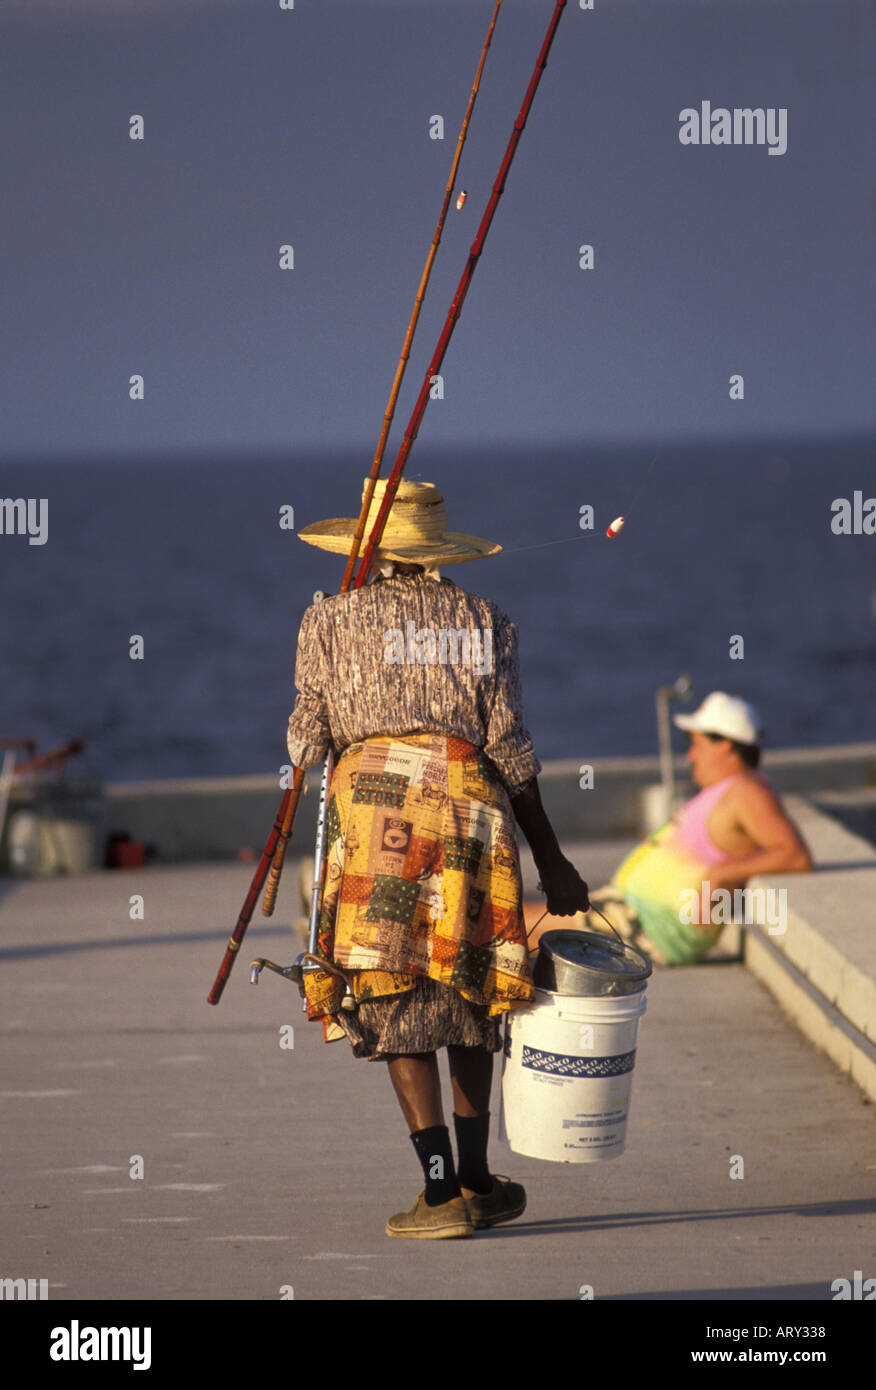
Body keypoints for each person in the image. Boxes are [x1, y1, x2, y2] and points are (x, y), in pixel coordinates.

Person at [285, 478, 590, 1239]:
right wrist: (553, 860)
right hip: (470, 818)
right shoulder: (486, 621)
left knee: (393, 995)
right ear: (436, 547)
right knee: (468, 991)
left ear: (369, 548)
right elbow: (513, 755)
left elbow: (306, 742)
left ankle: (437, 1190)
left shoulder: (327, 620)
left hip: (379, 820)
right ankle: (478, 1178)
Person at [527, 692, 812, 966]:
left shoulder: (747, 791)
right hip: (626, 913)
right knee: (508, 921)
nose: (690, 756)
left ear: (724, 745)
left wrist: (721, 874)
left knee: (508, 922)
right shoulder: (726, 792)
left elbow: (794, 855)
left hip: (647, 926)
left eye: (696, 743)